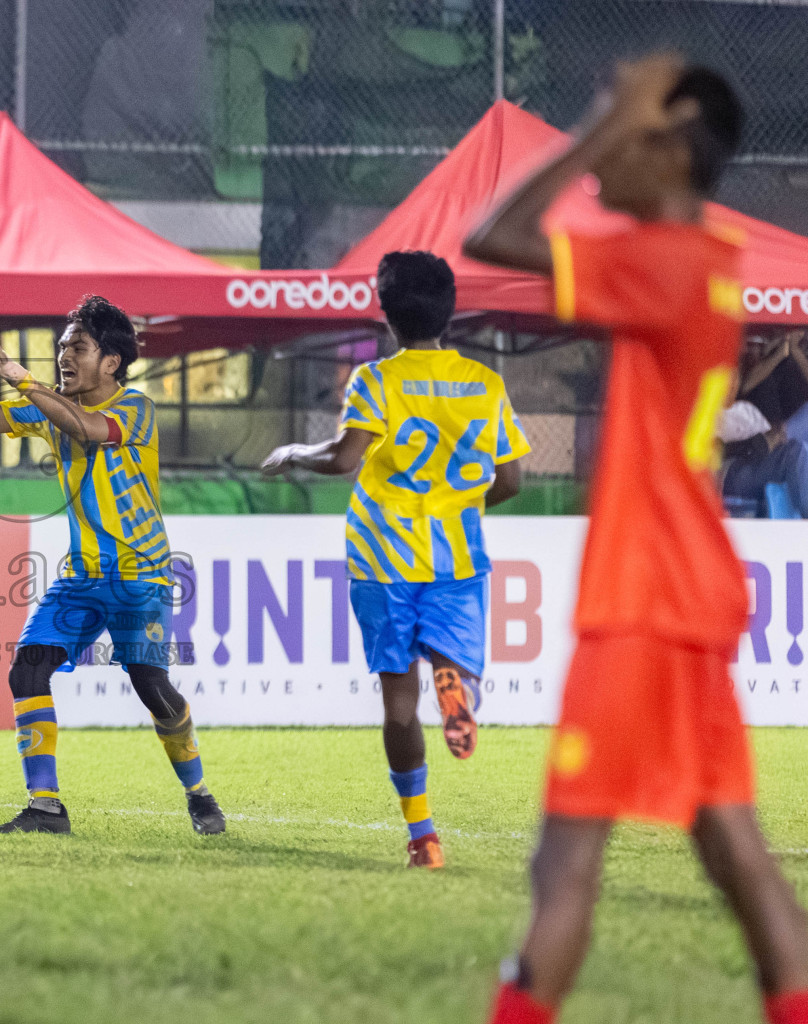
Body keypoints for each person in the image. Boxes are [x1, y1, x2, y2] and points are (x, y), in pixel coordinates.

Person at [465, 54, 808, 1024]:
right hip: (689, 592)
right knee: (736, 852)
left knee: (565, 858)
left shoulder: (664, 262)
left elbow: (495, 234)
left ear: (664, 146)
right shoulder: (708, 257)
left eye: (622, 125)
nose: (598, 150)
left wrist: (598, 126)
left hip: (645, 599)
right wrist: (629, 119)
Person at [260, 250, 529, 869]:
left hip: (383, 556)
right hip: (456, 557)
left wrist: (295, 450)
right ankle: (454, 684)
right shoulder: (485, 385)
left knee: (398, 705)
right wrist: (460, 504)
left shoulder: (376, 380)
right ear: (450, 310)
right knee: (452, 668)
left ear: (385, 313)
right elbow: (512, 479)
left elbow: (343, 459)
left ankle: (424, 838)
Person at [0, 297, 226, 836]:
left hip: (141, 575)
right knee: (27, 668)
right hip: (81, 578)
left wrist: (24, 380)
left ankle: (199, 791)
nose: (63, 354)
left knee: (150, 684)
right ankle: (46, 807)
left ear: (112, 362)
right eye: (62, 346)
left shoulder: (136, 407)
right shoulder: (50, 405)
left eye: (77, 346)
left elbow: (88, 429)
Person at [718, 397, 808, 517]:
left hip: (754, 469)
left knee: (796, 452)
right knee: (795, 453)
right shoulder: (709, 417)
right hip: (729, 476)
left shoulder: (747, 411)